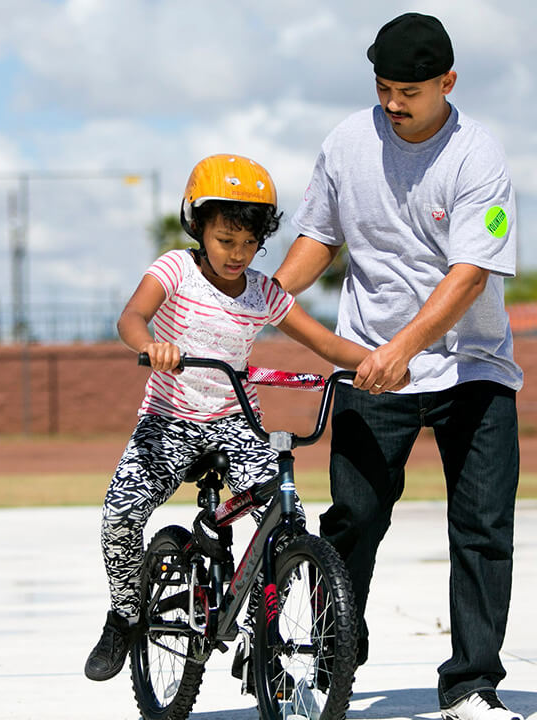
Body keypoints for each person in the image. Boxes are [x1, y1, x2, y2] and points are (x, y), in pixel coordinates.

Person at [272, 13, 525, 720]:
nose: (392, 104)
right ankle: (330, 668)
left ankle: (472, 686)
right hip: (368, 363)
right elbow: (317, 238)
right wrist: (265, 295)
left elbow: (470, 274)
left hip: (472, 369)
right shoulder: (347, 143)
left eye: (409, 92)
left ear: (448, 82)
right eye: (383, 88)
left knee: (481, 528)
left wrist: (403, 349)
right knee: (352, 520)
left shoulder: (477, 157)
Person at [84, 154, 392, 683]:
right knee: (121, 513)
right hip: (170, 417)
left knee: (285, 522)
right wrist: (151, 346)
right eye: (226, 240)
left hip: (235, 422)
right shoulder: (174, 270)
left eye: (249, 243)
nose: (237, 254)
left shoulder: (263, 292)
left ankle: (259, 630)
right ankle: (126, 616)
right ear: (197, 226)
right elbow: (131, 316)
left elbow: (322, 341)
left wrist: (374, 363)